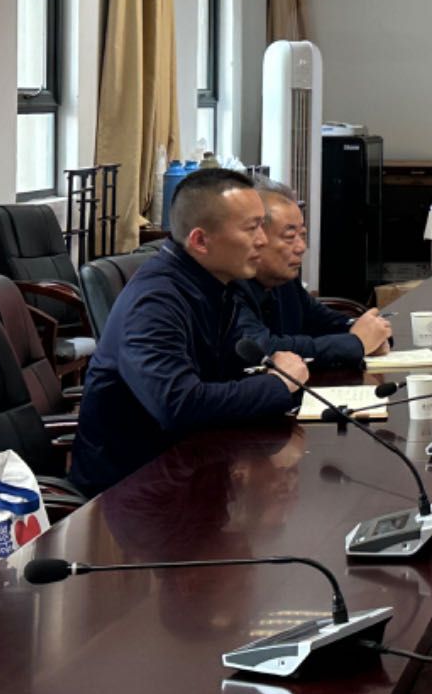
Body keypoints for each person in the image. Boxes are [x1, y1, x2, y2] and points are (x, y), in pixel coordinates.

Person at [70, 168, 307, 495]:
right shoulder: (155, 302)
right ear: (199, 241)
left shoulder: (215, 287)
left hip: (193, 467)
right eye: (252, 228)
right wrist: (278, 384)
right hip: (131, 492)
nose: (263, 240)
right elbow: (179, 404)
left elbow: (229, 373)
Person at [233, 182, 391, 368]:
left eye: (302, 235)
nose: (301, 247)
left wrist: (374, 332)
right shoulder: (230, 285)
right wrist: (356, 343)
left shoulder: (285, 281)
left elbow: (325, 321)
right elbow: (264, 348)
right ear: (254, 237)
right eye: (290, 237)